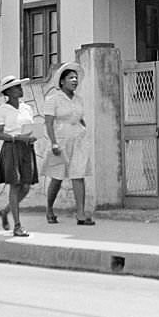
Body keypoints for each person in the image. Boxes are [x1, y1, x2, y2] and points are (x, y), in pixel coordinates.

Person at [42, 62, 94, 226]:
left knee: (78, 175)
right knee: (57, 178)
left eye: (76, 78)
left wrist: (82, 128)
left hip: (78, 140)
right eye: (71, 78)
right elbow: (49, 123)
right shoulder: (53, 100)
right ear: (62, 81)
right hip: (61, 141)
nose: (74, 80)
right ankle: (49, 208)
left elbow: (79, 117)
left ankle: (80, 213)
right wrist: (54, 143)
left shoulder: (78, 99)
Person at [0, 75, 38, 237]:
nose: (20, 89)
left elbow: (29, 127)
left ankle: (5, 211)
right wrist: (17, 138)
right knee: (15, 185)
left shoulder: (27, 108)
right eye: (16, 87)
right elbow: (0, 134)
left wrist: (32, 136)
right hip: (11, 148)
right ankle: (17, 225)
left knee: (26, 186)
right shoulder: (1, 110)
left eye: (20, 86)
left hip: (26, 148)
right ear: (8, 92)